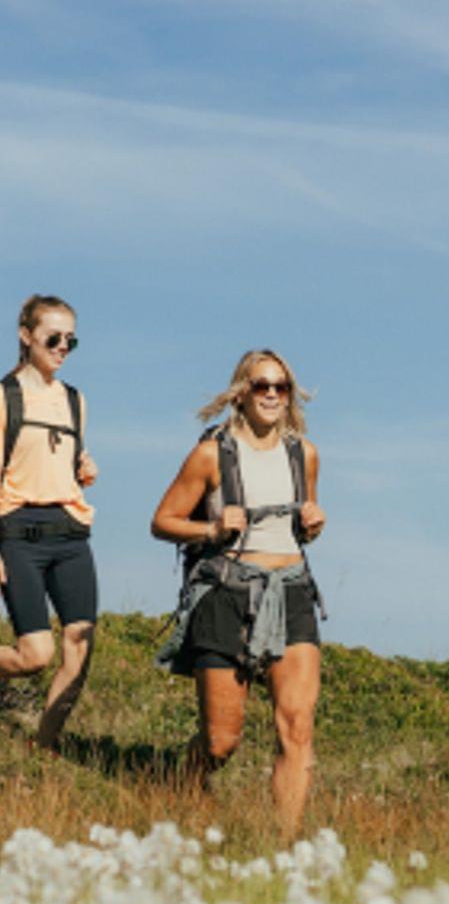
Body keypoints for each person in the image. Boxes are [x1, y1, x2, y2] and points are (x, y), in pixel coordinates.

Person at [151, 348, 326, 838]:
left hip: (290, 591)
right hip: (226, 594)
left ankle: (283, 847)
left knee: (297, 727)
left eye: (281, 386)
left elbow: (300, 526)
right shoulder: (212, 454)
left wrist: (312, 524)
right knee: (221, 741)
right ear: (241, 393)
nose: (272, 395)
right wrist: (211, 528)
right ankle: (181, 781)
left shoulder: (303, 453)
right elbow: (162, 522)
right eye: (261, 386)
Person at [0, 294, 98, 748]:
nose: (63, 347)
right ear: (25, 336)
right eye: (53, 338)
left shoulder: (75, 401)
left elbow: (63, 457)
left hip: (71, 532)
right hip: (18, 534)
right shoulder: (5, 398)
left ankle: (44, 747)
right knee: (35, 655)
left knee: (80, 644)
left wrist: (83, 466)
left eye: (70, 341)